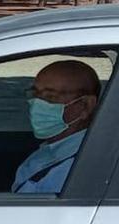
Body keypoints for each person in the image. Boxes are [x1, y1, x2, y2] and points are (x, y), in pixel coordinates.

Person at [12, 60, 100, 194]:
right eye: (35, 95)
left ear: (85, 106)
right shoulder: (53, 150)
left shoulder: (79, 168)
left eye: (50, 97)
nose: (37, 105)